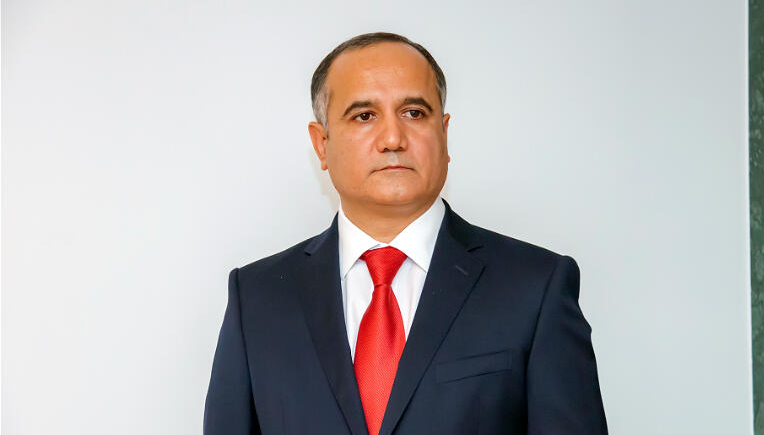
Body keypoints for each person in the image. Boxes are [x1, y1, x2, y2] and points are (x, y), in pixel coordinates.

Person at [203, 32, 608, 435]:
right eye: (364, 116)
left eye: (414, 113)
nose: (393, 139)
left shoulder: (535, 288)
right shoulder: (256, 299)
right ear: (321, 143)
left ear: (444, 133)